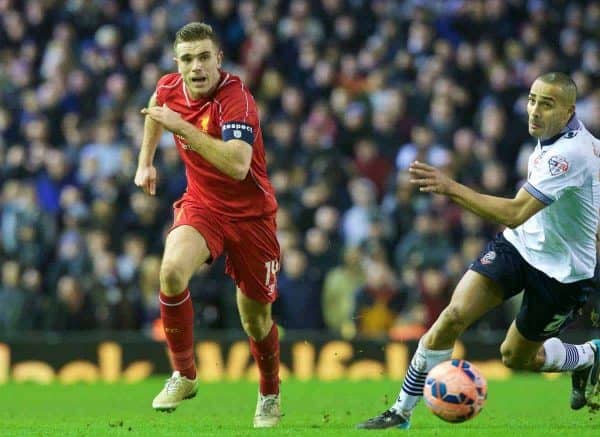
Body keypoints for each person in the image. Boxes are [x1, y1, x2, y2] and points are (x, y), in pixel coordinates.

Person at [357, 72, 600, 430]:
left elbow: (515, 212)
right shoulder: (554, 138)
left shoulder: (569, 155)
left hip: (563, 272)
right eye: (532, 100)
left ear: (569, 112)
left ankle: (586, 356)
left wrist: (451, 187)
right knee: (452, 315)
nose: (534, 111)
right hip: (519, 246)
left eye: (546, 104)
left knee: (515, 356)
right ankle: (400, 411)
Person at [134, 22, 281, 428]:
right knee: (170, 271)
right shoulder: (169, 88)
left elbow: (237, 165)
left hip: (252, 217)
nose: (196, 67)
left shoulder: (236, 100)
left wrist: (180, 127)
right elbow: (154, 109)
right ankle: (185, 374)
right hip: (203, 206)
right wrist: (145, 161)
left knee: (255, 319)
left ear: (218, 58)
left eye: (203, 57)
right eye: (187, 59)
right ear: (177, 63)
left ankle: (269, 392)